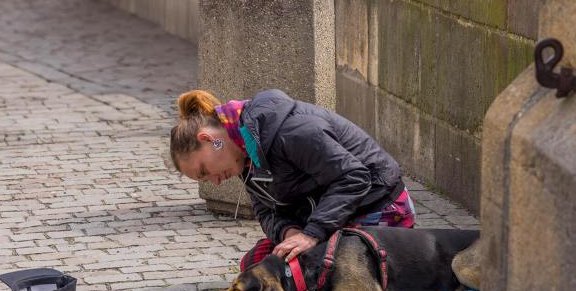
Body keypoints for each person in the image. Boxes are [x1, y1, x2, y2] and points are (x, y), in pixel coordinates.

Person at [169, 88, 415, 272]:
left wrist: (312, 234)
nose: (214, 181)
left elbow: (354, 177)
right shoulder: (244, 153)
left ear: (209, 139)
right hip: (330, 218)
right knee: (256, 265)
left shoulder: (292, 130)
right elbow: (265, 210)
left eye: (203, 171)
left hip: (379, 206)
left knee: (312, 274)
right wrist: (290, 232)